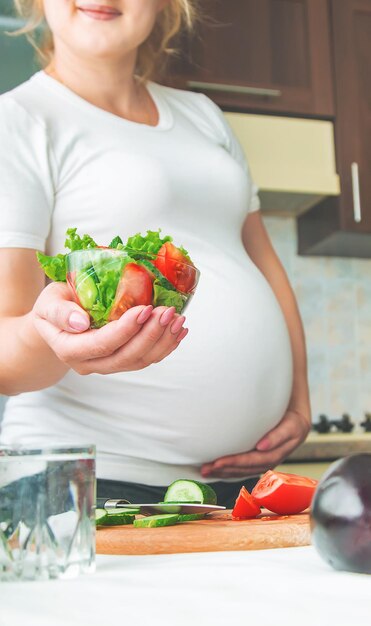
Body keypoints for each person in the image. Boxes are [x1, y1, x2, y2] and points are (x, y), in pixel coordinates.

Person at [0, 0, 311, 508]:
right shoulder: (17, 122)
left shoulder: (203, 114)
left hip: (238, 488)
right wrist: (54, 335)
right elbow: (4, 350)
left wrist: (298, 401)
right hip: (93, 482)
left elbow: (264, 265)